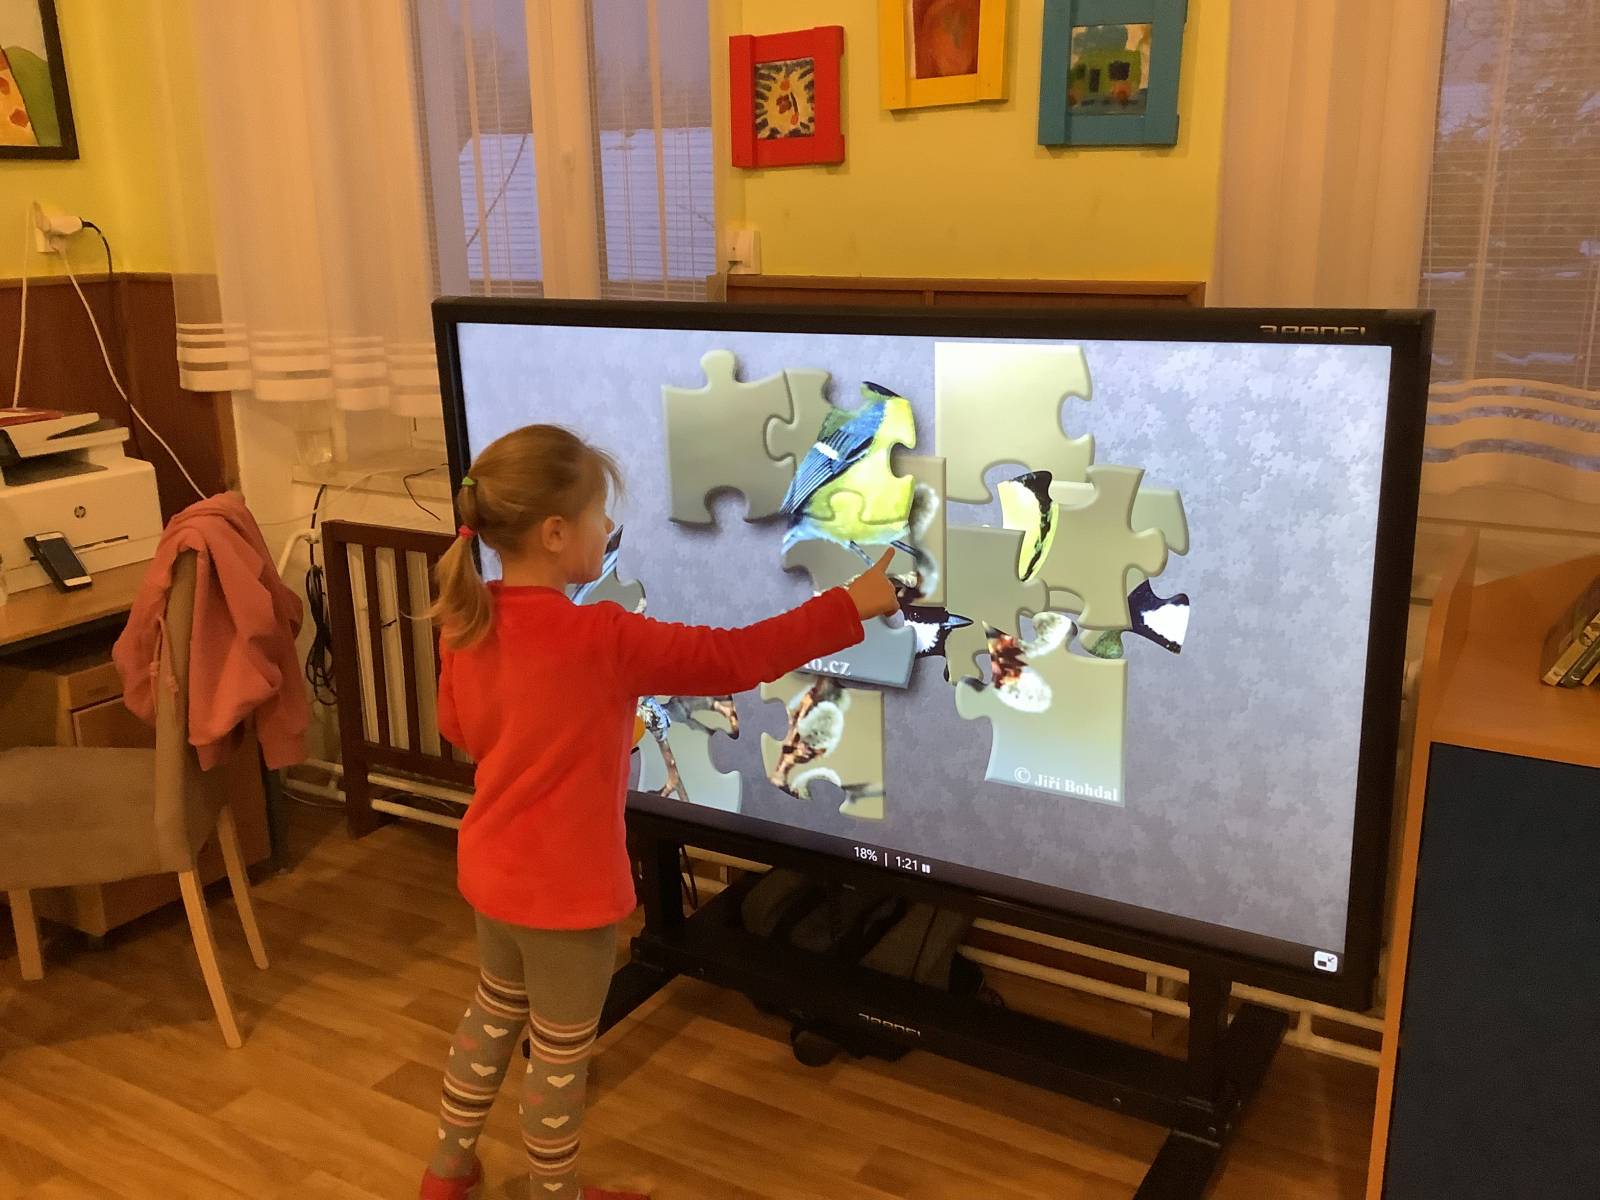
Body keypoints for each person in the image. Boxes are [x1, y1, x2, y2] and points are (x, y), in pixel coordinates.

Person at [419, 424, 899, 1200]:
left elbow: (460, 730)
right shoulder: (600, 636)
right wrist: (850, 604)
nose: (608, 526)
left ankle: (446, 1173)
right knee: (560, 1057)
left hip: (493, 876)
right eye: (598, 513)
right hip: (566, 896)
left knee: (493, 1014)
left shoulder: (466, 621)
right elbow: (732, 659)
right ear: (555, 533)